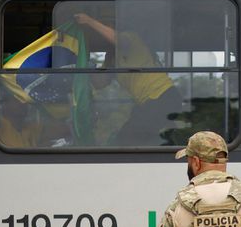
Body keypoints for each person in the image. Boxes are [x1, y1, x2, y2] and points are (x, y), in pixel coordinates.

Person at [75, 13, 182, 144]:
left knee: (128, 137)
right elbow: (100, 83)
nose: (102, 32)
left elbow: (118, 40)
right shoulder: (112, 58)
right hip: (148, 103)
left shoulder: (131, 38)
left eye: (106, 26)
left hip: (163, 96)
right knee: (137, 136)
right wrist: (84, 67)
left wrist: (90, 21)